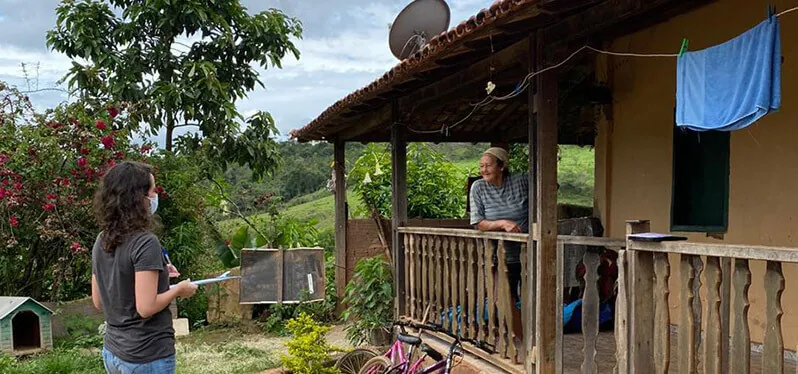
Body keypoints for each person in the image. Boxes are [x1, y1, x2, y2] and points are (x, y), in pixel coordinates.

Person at [91, 161, 197, 374]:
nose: (155, 196)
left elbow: (99, 301)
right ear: (138, 198)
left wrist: (160, 275)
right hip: (146, 356)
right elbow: (146, 308)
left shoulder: (101, 240)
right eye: (152, 190)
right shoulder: (145, 242)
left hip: (113, 352)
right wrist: (178, 290)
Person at [469, 147, 528, 345]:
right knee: (503, 298)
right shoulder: (478, 187)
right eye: (481, 166)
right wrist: (502, 223)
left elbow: (550, 186)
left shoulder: (520, 180)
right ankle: (524, 338)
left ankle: (532, 336)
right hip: (500, 254)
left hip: (529, 252)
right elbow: (479, 223)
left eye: (488, 165)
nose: (483, 169)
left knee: (532, 297)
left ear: (502, 166)